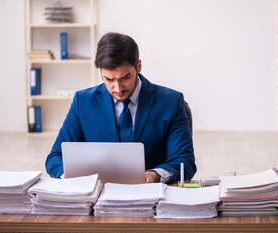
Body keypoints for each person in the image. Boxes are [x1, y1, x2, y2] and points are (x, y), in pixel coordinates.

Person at [45, 32, 196, 183]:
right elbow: (55, 157)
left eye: (125, 78)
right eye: (109, 79)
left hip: (149, 195)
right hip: (97, 197)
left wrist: (155, 175)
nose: (117, 88)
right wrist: (74, 179)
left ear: (138, 66)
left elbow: (185, 161)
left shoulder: (171, 101)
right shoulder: (82, 102)